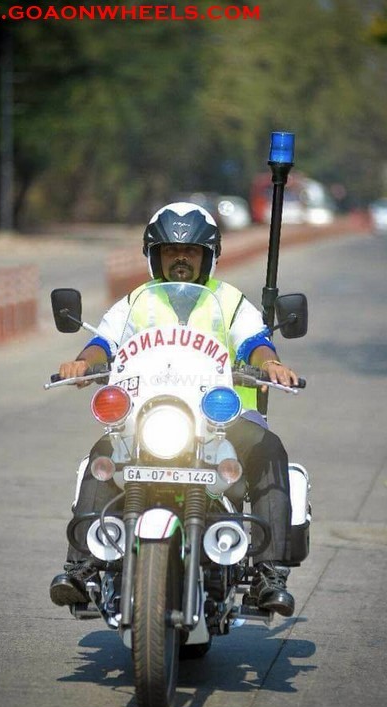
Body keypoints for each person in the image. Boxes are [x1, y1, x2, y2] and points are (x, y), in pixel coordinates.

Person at [50, 202, 300, 617]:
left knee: (270, 450)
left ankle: (269, 572)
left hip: (222, 423)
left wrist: (269, 363)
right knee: (103, 455)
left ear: (208, 256)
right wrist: (82, 362)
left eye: (190, 251)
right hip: (150, 419)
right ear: (155, 256)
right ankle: (81, 567)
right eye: (170, 251)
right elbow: (103, 342)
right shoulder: (136, 302)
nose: (180, 258)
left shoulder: (230, 301)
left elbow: (255, 342)